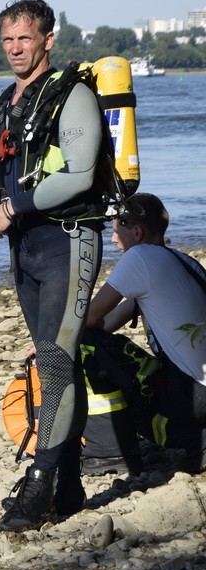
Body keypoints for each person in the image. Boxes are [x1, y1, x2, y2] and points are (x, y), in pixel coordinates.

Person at [0, 0, 105, 533]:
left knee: (57, 361)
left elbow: (81, 174)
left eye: (25, 38)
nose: (15, 49)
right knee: (61, 362)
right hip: (24, 248)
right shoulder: (7, 102)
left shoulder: (74, 95)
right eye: (7, 40)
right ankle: (69, 483)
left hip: (68, 241)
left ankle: (40, 482)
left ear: (48, 38)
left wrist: (9, 209)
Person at [83, 193, 206, 473]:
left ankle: (111, 452)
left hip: (197, 398)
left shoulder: (139, 257)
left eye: (116, 231)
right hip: (202, 390)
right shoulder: (179, 261)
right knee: (97, 342)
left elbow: (88, 320)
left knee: (87, 347)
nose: (113, 240)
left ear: (136, 232)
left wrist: (53, 345)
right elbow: (106, 323)